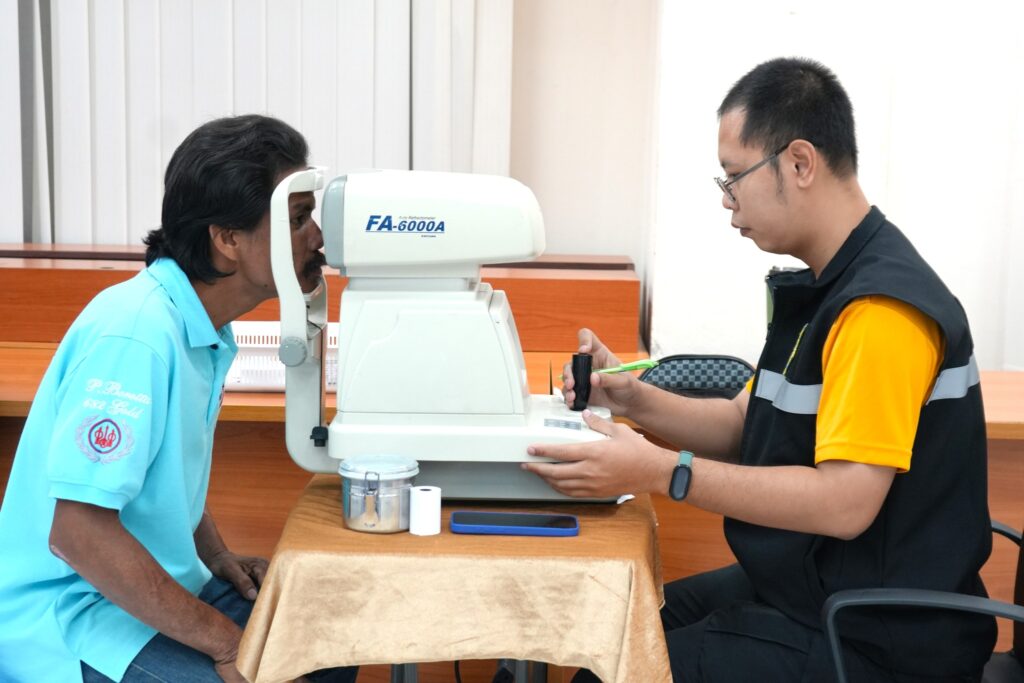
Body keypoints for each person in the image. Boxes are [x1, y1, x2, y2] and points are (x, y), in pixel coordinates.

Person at [524, 58, 995, 682]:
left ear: (799, 163)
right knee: (619, 630)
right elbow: (744, 425)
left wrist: (662, 471)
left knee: (615, 672)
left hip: (877, 636)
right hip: (817, 587)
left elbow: (845, 504)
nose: (727, 202)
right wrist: (632, 398)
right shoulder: (824, 291)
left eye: (734, 177)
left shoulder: (879, 312)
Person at [0, 115, 357, 683]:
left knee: (327, 648)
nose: (316, 238)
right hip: (74, 616)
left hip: (148, 591)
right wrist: (225, 644)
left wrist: (214, 556)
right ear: (228, 239)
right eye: (296, 220)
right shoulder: (136, 335)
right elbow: (79, 534)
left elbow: (159, 478)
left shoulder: (203, 328)